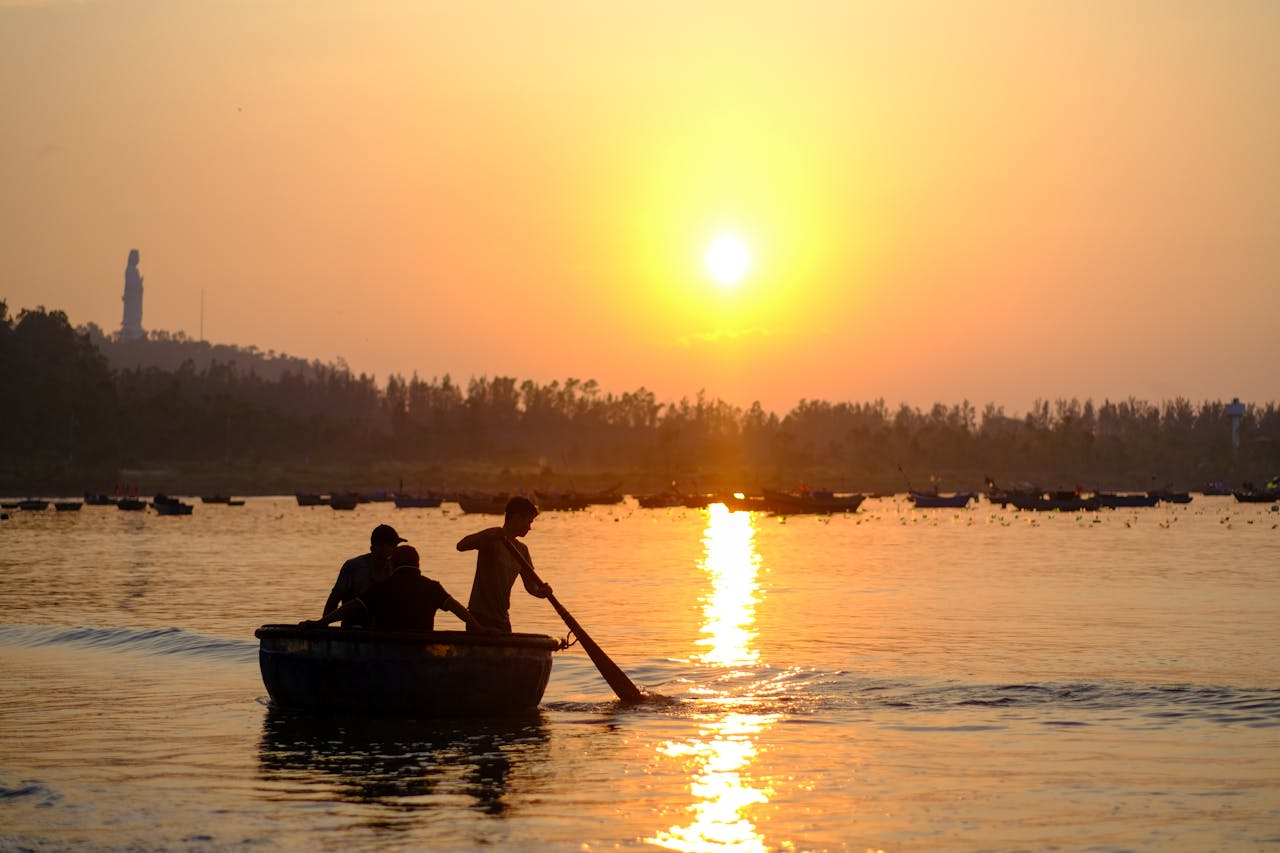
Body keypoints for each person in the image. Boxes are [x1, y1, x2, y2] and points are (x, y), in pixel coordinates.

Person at [302, 544, 487, 632]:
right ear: (418, 564)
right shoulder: (432, 588)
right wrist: (480, 629)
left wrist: (321, 623)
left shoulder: (382, 588)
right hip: (420, 656)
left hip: (385, 655)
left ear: (393, 565)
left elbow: (350, 608)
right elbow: (458, 609)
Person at [456, 496, 551, 633]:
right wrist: (489, 533)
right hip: (479, 618)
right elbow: (461, 545)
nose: (530, 527)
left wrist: (543, 592)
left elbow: (531, 587)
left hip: (502, 619)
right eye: (528, 522)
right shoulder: (492, 539)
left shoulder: (522, 550)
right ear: (517, 518)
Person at [322, 524, 406, 627]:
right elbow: (334, 598)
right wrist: (323, 626)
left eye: (396, 545)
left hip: (384, 631)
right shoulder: (353, 567)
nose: (395, 549)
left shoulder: (396, 569)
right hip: (353, 630)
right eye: (391, 545)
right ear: (375, 547)